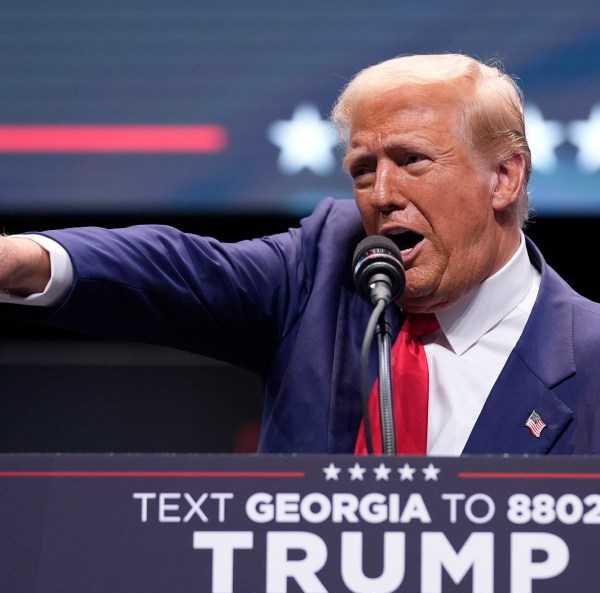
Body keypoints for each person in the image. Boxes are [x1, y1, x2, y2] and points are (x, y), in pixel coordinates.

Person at [1, 53, 599, 455]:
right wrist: (24, 260)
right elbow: (179, 269)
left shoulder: (590, 358)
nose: (382, 195)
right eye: (363, 169)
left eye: (412, 160)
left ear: (504, 177)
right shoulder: (325, 266)